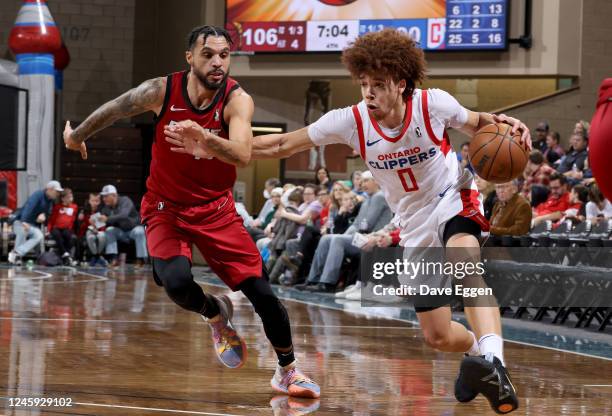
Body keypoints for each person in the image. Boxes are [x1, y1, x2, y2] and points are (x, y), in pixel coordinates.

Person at [232, 29, 525, 412]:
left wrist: (510, 127)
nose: (368, 93)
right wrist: (217, 146)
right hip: (414, 224)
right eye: (364, 84)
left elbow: (482, 125)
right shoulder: (349, 121)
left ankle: (495, 362)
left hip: (454, 197)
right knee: (436, 335)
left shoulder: (433, 104)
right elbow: (282, 143)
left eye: (379, 85)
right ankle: (476, 356)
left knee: (464, 263)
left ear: (401, 84)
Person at [63, 25, 318, 398]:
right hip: (165, 207)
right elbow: (116, 108)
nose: (217, 63)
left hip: (216, 209)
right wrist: (78, 135)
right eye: (208, 54)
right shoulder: (161, 91)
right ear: (190, 57)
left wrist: (207, 140)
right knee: (177, 282)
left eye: (224, 55)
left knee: (263, 294)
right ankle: (215, 314)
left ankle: (288, 371)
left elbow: (244, 154)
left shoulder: (237, 100)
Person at [8, 180, 63, 265]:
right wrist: (24, 221)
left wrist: (44, 216)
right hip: (20, 221)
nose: (58, 194)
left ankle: (17, 253)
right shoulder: (38, 195)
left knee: (39, 235)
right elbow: (29, 206)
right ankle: (17, 257)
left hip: (32, 225)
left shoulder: (50, 201)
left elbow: (48, 214)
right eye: (57, 191)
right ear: (50, 189)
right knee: (22, 232)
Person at [98, 185, 148, 267]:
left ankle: (141, 259)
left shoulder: (125, 200)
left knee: (140, 231)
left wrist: (107, 218)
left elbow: (124, 215)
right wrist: (95, 222)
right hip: (121, 232)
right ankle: (113, 259)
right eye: (103, 196)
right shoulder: (106, 208)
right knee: (109, 230)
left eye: (106, 196)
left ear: (114, 195)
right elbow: (103, 221)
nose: (104, 199)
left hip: (133, 229)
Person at [47, 188, 78, 266]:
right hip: (56, 228)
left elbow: (73, 219)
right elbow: (52, 219)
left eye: (71, 197)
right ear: (63, 198)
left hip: (66, 228)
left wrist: (70, 228)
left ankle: (65, 256)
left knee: (68, 236)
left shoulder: (74, 207)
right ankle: (66, 255)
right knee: (57, 235)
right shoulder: (57, 207)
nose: (71, 199)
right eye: (68, 197)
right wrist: (48, 229)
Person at [78, 192, 108, 267]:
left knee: (101, 236)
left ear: (100, 201)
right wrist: (87, 223)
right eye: (93, 200)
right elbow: (81, 228)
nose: (95, 203)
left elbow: (104, 226)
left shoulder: (103, 210)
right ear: (89, 201)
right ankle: (96, 256)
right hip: (88, 231)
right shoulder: (84, 211)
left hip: (99, 231)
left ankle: (97, 256)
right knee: (91, 236)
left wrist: (97, 228)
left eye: (97, 201)